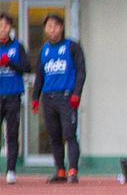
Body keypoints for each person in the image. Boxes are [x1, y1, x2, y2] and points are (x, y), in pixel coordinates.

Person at [31, 12, 82, 184]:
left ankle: (73, 171)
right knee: (54, 135)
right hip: (49, 97)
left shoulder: (72, 46)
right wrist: (35, 97)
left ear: (61, 27)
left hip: (66, 96)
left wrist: (77, 93)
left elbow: (82, 71)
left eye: (55, 26)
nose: (52, 30)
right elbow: (39, 74)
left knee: (69, 134)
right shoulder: (44, 49)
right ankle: (60, 171)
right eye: (48, 27)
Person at [0, 13, 25, 184]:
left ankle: (11, 170)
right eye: (0, 25)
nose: (3, 29)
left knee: (12, 134)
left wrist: (10, 63)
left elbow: (27, 67)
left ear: (11, 28)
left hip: (13, 96)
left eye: (6, 26)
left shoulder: (17, 46)